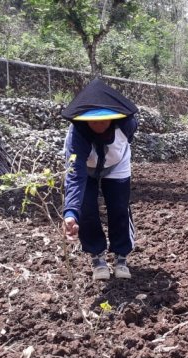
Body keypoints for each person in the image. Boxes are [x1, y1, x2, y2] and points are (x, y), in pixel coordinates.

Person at [60, 78, 139, 281]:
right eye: (93, 120)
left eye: (104, 119)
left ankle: (121, 257)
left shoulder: (127, 124)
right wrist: (70, 213)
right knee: (86, 209)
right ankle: (97, 257)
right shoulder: (77, 134)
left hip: (117, 163)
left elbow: (125, 142)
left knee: (119, 207)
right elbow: (75, 175)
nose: (99, 124)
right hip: (85, 168)